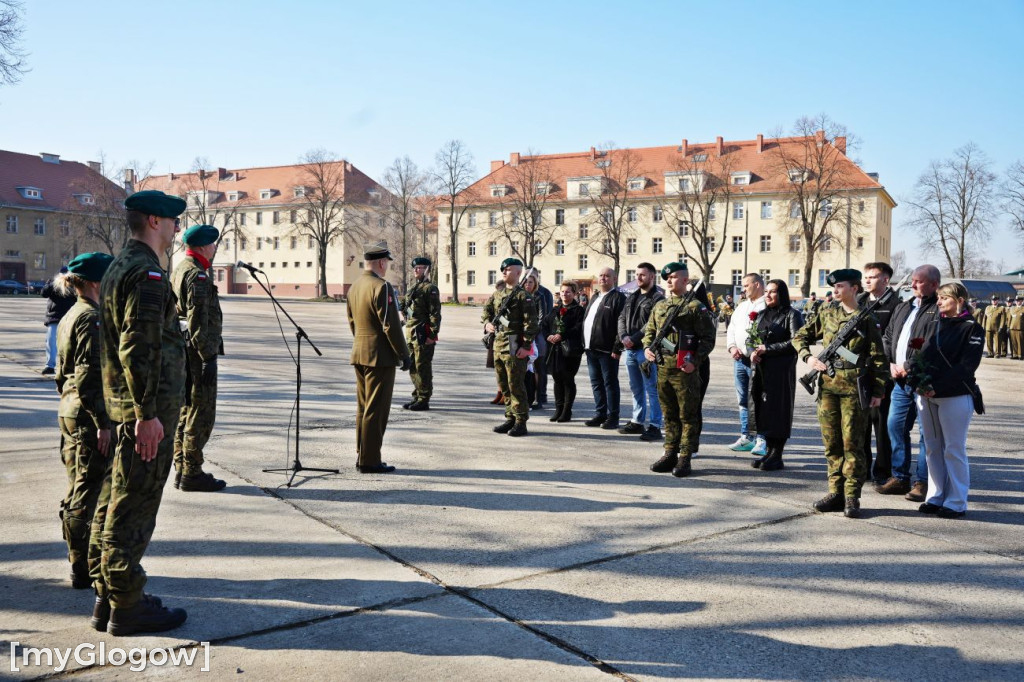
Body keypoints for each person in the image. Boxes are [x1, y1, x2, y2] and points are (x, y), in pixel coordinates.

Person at [96, 189, 189, 635]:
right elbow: (139, 347)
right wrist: (147, 413)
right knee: (134, 506)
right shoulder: (147, 273)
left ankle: (108, 597)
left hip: (124, 408)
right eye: (172, 221)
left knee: (119, 499)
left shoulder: (118, 266)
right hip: (144, 415)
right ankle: (127, 604)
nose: (175, 229)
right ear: (154, 221)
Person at [793, 269, 886, 518]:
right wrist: (809, 357)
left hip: (854, 390)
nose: (835, 291)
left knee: (852, 445)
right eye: (833, 287)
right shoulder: (826, 311)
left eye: (840, 286)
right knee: (831, 444)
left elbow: (878, 358)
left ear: (855, 288)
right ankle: (835, 492)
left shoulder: (866, 318)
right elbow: (800, 335)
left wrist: (878, 390)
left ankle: (852, 497)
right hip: (828, 388)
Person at [53, 252, 114, 590]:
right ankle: (82, 568)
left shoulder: (71, 314)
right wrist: (103, 423)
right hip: (89, 415)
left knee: (78, 486)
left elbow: (64, 374)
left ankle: (81, 563)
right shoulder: (91, 318)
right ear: (93, 282)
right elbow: (91, 376)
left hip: (71, 408)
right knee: (87, 493)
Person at [910, 282, 984, 518]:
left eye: (944, 298)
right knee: (932, 448)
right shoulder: (935, 323)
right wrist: (916, 379)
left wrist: (937, 386)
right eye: (938, 297)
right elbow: (920, 353)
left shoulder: (972, 328)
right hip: (926, 394)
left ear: (959, 300)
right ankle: (935, 495)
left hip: (955, 395)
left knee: (953, 449)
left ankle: (956, 501)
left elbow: (967, 366)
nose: (939, 301)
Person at [644, 262, 716, 477]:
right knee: (669, 414)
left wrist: (695, 360)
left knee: (688, 415)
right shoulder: (660, 306)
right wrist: (648, 348)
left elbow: (708, 339)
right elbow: (650, 331)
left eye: (674, 277)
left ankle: (685, 457)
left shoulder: (695, 307)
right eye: (667, 277)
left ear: (685, 281)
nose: (669, 280)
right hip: (663, 367)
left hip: (685, 369)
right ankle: (670, 452)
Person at [876, 264, 941, 502]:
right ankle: (899, 476)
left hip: (923, 381)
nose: (913, 285)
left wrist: (909, 366)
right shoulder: (904, 307)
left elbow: (933, 345)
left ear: (934, 285)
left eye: (919, 281)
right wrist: (891, 363)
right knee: (895, 426)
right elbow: (888, 337)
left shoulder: (938, 309)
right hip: (899, 382)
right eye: (912, 280)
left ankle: (922, 482)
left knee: (927, 434)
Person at [170, 224, 226, 492]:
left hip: (185, 350)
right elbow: (197, 321)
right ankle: (192, 471)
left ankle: (182, 468)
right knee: (200, 412)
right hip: (197, 353)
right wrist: (208, 357)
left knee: (186, 410)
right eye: (212, 244)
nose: (214, 248)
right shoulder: (197, 276)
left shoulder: (181, 267)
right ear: (203, 246)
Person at [348, 240, 412, 472]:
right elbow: (391, 325)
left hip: (360, 352)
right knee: (376, 410)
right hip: (380, 357)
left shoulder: (354, 286)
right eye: (387, 263)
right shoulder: (382, 287)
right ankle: (370, 460)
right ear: (382, 262)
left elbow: (352, 322)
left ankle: (362, 453)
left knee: (363, 408)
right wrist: (403, 353)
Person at [749, 279, 804, 471]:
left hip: (781, 370)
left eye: (773, 292)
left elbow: (796, 342)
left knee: (778, 411)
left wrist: (768, 349)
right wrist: (752, 352)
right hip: (761, 370)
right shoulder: (760, 315)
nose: (768, 295)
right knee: (763, 410)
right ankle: (769, 451)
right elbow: (751, 339)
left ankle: (777, 454)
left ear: (782, 294)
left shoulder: (792, 314)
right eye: (767, 292)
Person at [482, 258, 537, 437]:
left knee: (516, 385)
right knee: (504, 385)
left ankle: (521, 421)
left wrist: (526, 346)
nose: (504, 272)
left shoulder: (523, 295)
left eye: (508, 270)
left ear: (518, 273)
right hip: (498, 344)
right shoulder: (498, 294)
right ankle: (510, 417)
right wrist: (487, 323)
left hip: (514, 344)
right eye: (503, 270)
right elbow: (487, 311)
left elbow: (532, 324)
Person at [859, 262, 898, 484]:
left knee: (882, 425)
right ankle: (862, 467)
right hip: (860, 372)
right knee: (861, 424)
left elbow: (891, 340)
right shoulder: (861, 302)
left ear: (885, 280)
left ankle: (883, 470)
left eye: (872, 277)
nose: (867, 281)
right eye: (866, 277)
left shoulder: (896, 305)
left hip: (883, 373)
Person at [617, 263, 665, 441]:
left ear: (652, 277)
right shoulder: (632, 297)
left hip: (646, 350)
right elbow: (621, 317)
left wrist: (634, 338)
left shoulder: (657, 299)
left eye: (642, 275)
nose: (638, 278)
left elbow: (651, 325)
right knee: (636, 388)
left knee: (652, 389)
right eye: (636, 274)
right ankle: (637, 421)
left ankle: (655, 425)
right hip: (629, 350)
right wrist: (623, 336)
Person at [725, 273, 767, 455]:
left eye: (746, 285)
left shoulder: (766, 305)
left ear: (757, 285)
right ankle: (746, 436)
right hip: (740, 360)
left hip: (758, 361)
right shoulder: (742, 307)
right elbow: (732, 328)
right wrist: (732, 346)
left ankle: (762, 438)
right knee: (742, 399)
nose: (743, 289)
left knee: (759, 399)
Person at [582, 267, 626, 429]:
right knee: (596, 383)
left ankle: (613, 417)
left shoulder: (618, 298)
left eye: (607, 276)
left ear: (614, 279)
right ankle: (600, 414)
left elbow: (621, 325)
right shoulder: (594, 296)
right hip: (591, 348)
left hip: (607, 350)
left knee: (610, 383)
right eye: (601, 276)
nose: (603, 279)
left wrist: (617, 347)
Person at [401, 256, 441, 411]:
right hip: (410, 332)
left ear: (427, 269)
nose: (416, 270)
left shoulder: (430, 289)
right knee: (412, 366)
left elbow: (435, 314)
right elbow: (403, 306)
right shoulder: (413, 288)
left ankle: (424, 398)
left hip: (423, 333)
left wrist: (432, 335)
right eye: (415, 268)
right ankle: (417, 395)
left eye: (420, 267)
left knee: (422, 366)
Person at [544, 282, 586, 422]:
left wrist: (563, 335)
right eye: (562, 291)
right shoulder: (556, 309)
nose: (564, 294)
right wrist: (548, 335)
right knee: (557, 379)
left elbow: (578, 328)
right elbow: (545, 324)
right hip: (555, 350)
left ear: (574, 294)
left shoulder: (578, 310)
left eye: (568, 292)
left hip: (570, 350)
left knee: (568, 379)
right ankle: (558, 409)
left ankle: (567, 411)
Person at [40, 267, 76, 375]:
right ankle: (50, 365)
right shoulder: (52, 283)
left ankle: (69, 366)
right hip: (54, 317)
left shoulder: (74, 284)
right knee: (51, 342)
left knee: (70, 342)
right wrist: (55, 283)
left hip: (69, 317)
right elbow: (44, 293)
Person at [523, 272, 550, 411]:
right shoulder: (520, 297)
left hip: (536, 336)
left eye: (531, 282)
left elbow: (542, 317)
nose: (528, 284)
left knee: (539, 369)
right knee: (525, 369)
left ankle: (539, 398)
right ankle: (526, 398)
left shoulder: (539, 297)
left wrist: (532, 333)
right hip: (522, 335)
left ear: (535, 284)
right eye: (526, 282)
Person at [531, 271, 554, 409]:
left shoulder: (543, 293)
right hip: (523, 334)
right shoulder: (520, 293)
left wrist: (535, 331)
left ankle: (541, 395)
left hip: (538, 334)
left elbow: (546, 315)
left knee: (540, 366)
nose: (528, 282)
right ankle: (530, 395)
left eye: (531, 279)